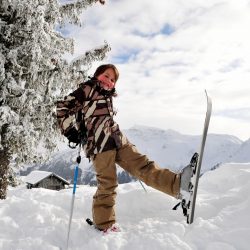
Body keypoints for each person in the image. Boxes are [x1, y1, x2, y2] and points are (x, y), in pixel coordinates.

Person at [56, 64, 193, 232]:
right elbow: (63, 107)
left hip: (117, 140)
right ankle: (104, 224)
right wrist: (70, 132)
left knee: (143, 165)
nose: (109, 81)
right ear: (98, 75)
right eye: (106, 76)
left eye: (113, 79)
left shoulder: (107, 96)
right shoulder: (87, 89)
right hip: (99, 144)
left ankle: (178, 185)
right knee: (108, 184)